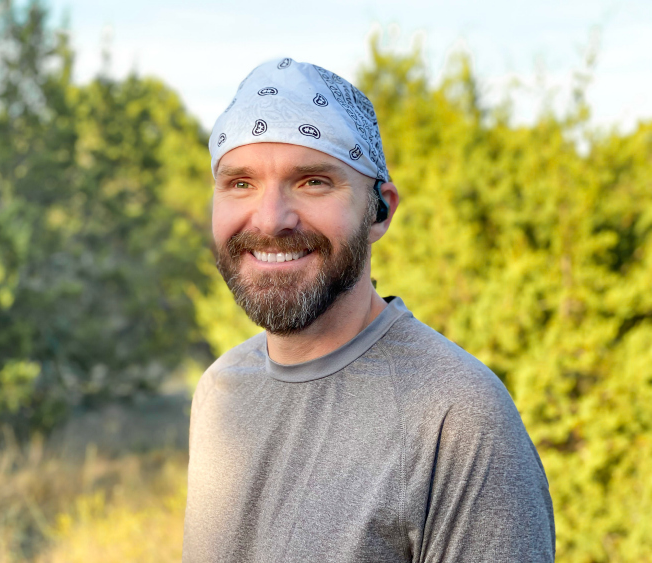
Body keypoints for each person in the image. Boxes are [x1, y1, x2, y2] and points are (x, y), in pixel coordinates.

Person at [182, 57, 555, 563]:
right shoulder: (221, 390)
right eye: (240, 183)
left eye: (313, 181)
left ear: (379, 211)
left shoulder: (456, 417)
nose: (270, 219)